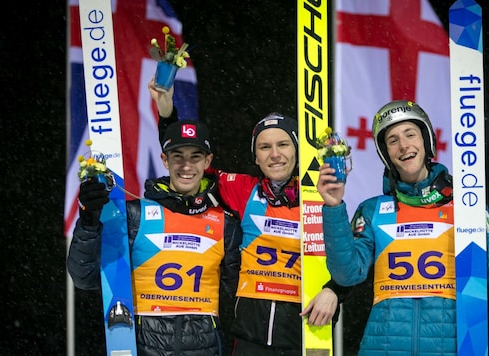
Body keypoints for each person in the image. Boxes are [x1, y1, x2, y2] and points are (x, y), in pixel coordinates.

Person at [149, 80, 350, 356]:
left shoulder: (321, 196)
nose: (275, 154)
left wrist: (335, 291)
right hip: (247, 339)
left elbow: (349, 260)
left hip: (305, 335)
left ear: (297, 150)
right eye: (265, 147)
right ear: (255, 156)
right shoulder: (243, 190)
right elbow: (187, 163)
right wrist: (167, 114)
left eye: (283, 144)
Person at [315, 99, 489, 355]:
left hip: (453, 347)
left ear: (427, 141)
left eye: (410, 134)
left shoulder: (466, 205)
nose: (403, 146)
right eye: (392, 140)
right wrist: (334, 207)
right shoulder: (373, 210)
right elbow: (347, 274)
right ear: (385, 154)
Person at [67, 119, 242, 355]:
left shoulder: (225, 223)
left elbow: (242, 296)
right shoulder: (135, 215)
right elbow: (84, 277)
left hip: (205, 348)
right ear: (164, 160)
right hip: (144, 347)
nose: (186, 166)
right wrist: (88, 221)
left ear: (207, 162)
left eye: (195, 157)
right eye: (177, 156)